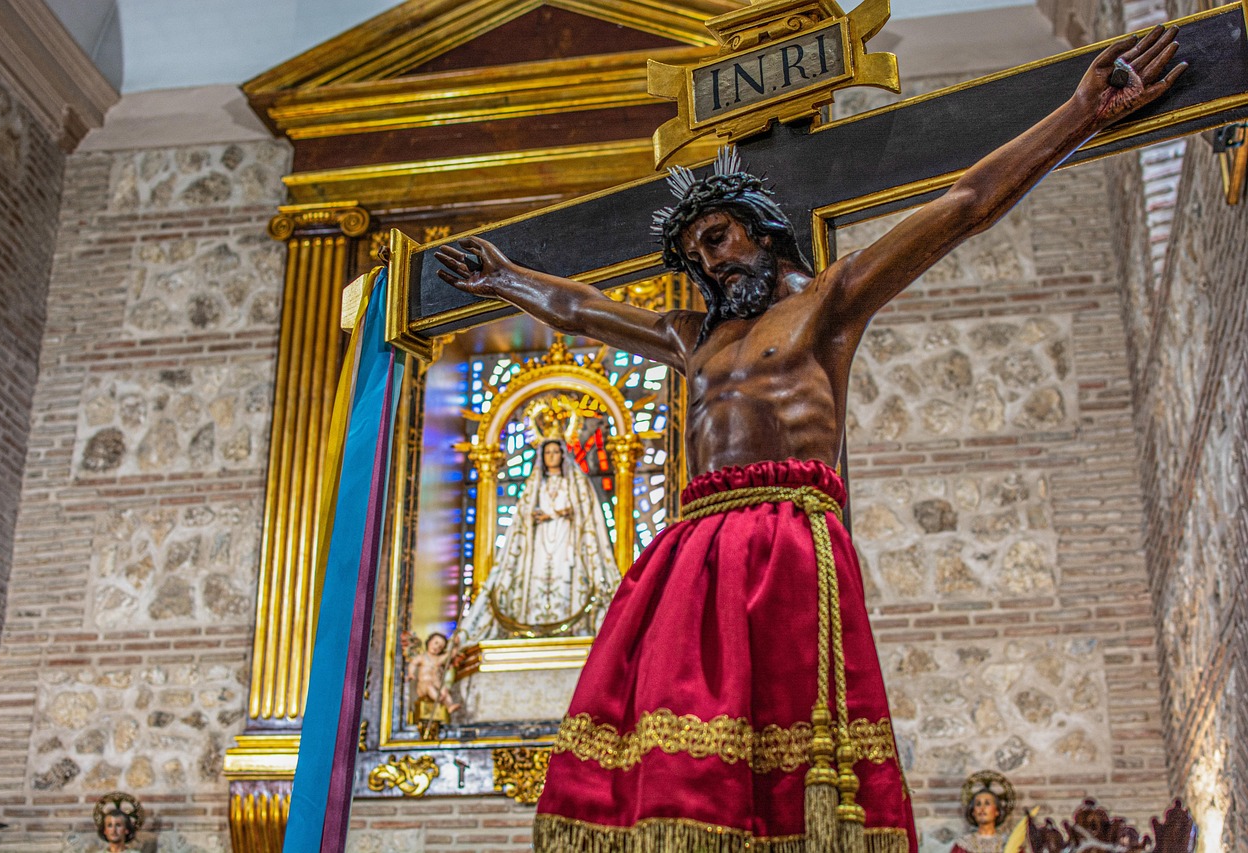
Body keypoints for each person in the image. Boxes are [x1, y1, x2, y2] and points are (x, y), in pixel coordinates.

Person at [436, 27, 1184, 853]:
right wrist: (504, 278)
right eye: (693, 255)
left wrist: (1079, 114)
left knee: (795, 750)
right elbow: (584, 310)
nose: (708, 263)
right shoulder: (697, 339)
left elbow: (966, 204)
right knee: (677, 752)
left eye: (715, 238)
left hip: (788, 529)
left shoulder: (829, 302)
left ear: (761, 226)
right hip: (693, 545)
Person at [454, 436, 619, 644]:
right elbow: (522, 518)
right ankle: (534, 623)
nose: (551, 456)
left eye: (555, 452)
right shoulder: (534, 486)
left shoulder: (576, 483)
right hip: (539, 541)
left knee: (565, 574)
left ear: (562, 455)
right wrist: (534, 517)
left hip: (566, 540)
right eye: (547, 452)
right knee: (538, 573)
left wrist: (559, 514)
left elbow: (586, 513)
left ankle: (572, 626)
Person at [404, 631, 460, 738]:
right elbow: (413, 664)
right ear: (429, 642)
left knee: (444, 689)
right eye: (436, 643)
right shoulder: (422, 657)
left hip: (436, 684)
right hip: (424, 686)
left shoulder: (438, 659)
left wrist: (456, 644)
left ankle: (449, 705)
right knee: (430, 687)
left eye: (440, 646)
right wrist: (411, 673)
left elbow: (451, 654)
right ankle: (439, 698)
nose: (437, 647)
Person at [951, 771, 1016, 853]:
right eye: (978, 804)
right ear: (973, 812)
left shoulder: (1010, 843)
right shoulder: (963, 845)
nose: (982, 808)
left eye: (987, 803)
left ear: (997, 811)